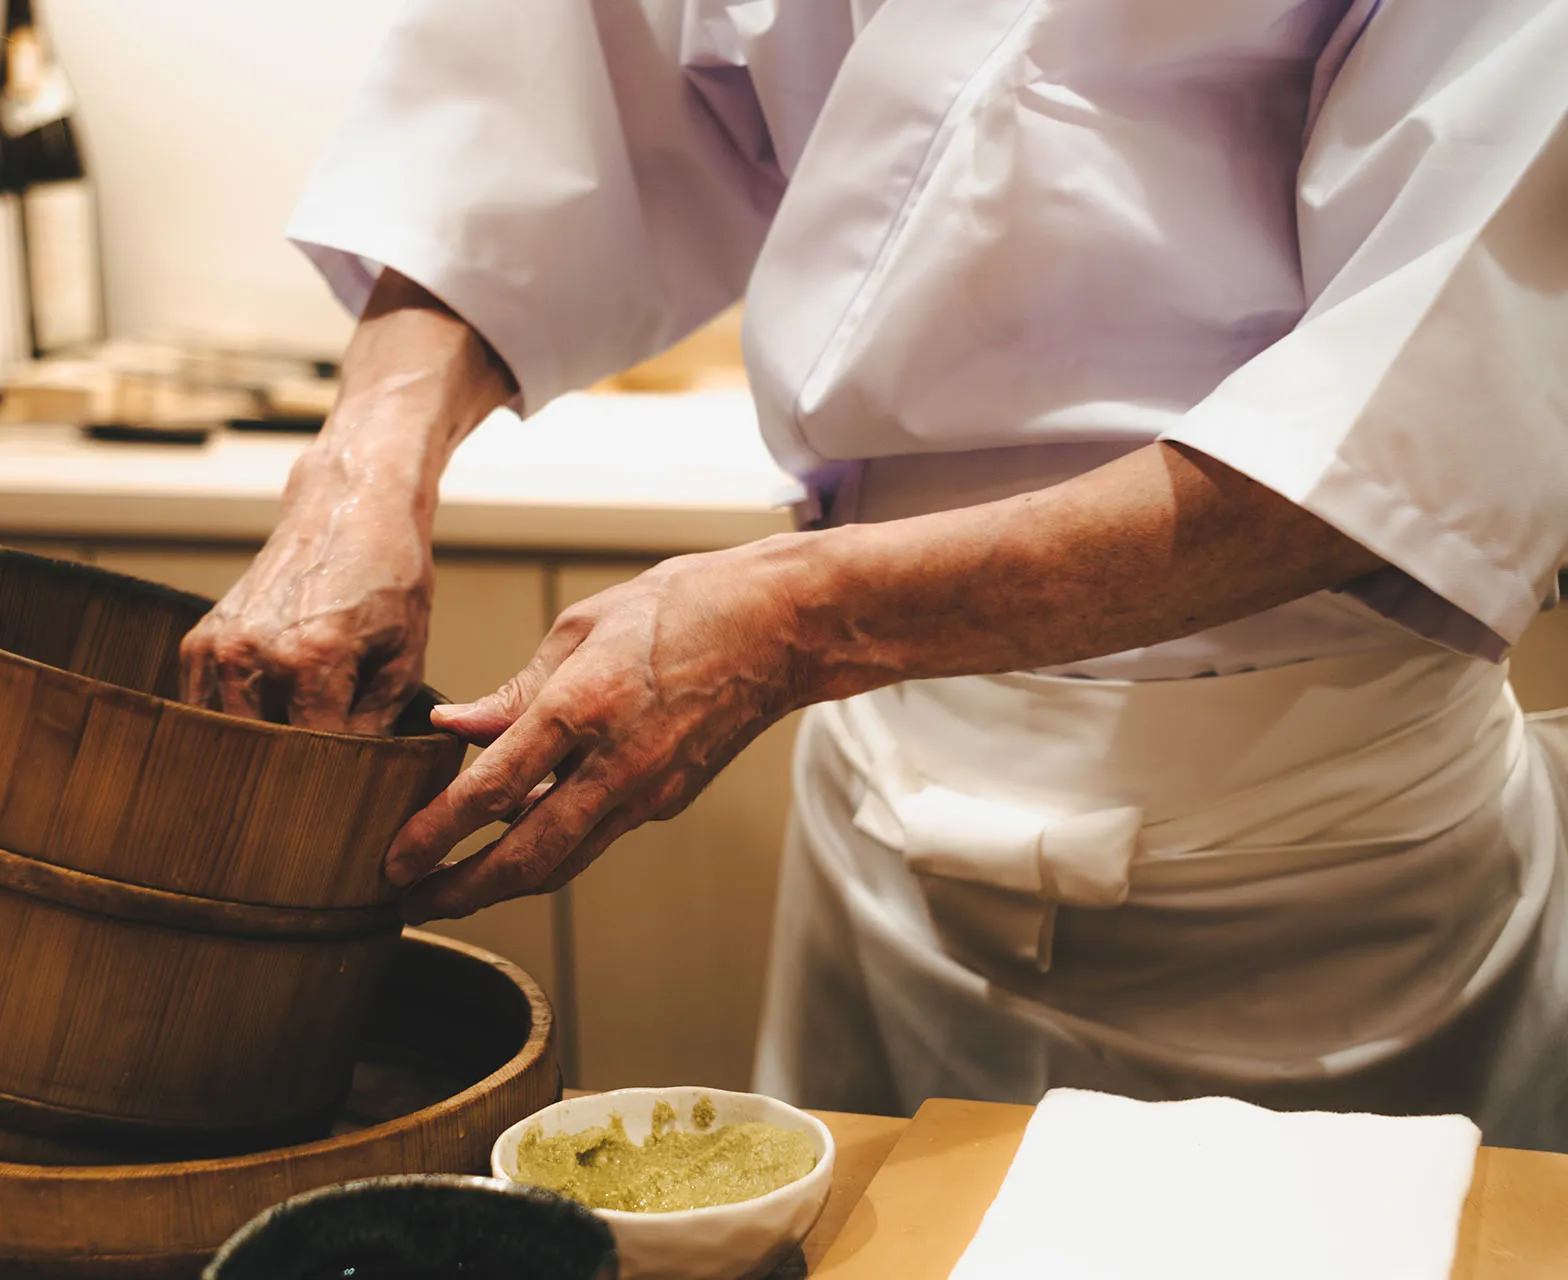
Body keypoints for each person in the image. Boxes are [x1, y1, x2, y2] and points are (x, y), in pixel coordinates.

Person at [181, 0, 1568, 1150]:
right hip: (875, 802)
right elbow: (551, 97)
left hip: (1311, 859)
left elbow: (1417, 408)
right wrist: (360, 462)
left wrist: (798, 620)